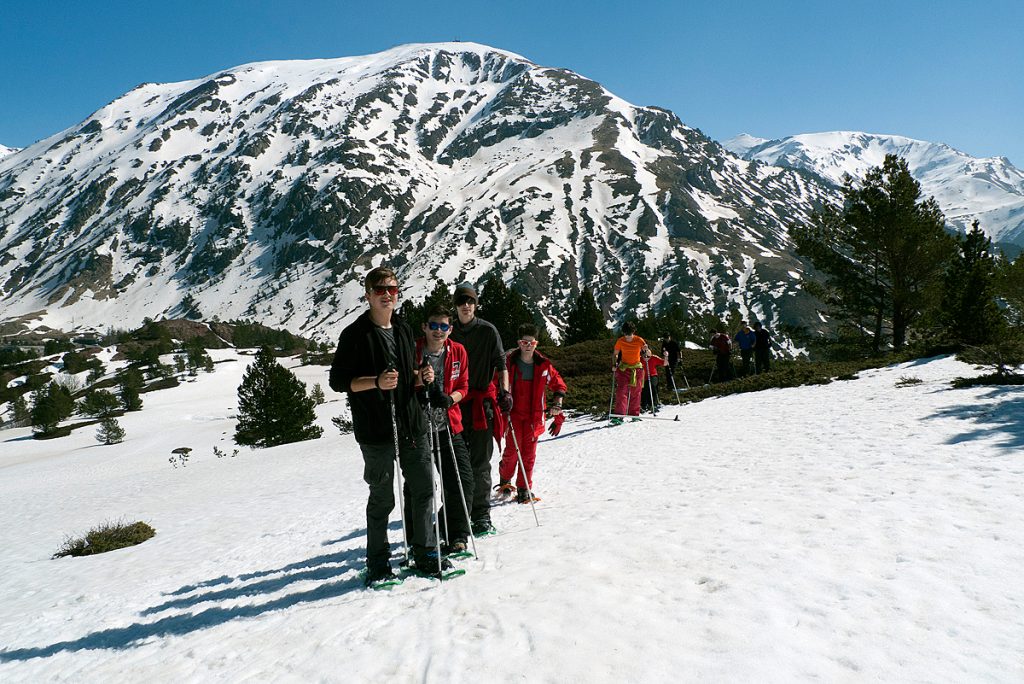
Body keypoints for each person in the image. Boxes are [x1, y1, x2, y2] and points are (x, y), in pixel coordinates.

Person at [328, 266, 447, 586]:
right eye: (379, 289)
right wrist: (376, 382)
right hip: (375, 428)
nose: (386, 295)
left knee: (423, 488)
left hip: (411, 421)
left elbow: (409, 369)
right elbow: (338, 381)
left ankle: (425, 551)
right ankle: (378, 562)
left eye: (392, 290)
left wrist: (422, 374)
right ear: (367, 294)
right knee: (383, 497)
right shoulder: (354, 335)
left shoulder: (405, 329)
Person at [450, 283, 511, 537]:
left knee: (480, 462)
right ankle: (459, 511)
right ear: (456, 305)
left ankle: (481, 514)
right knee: (456, 463)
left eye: (470, 301)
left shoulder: (488, 331)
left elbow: (500, 363)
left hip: (481, 405)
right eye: (462, 301)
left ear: (475, 304)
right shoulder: (449, 332)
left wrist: (505, 391)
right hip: (454, 405)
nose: (466, 305)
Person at [413, 305, 474, 554]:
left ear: (450, 329)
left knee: (462, 482)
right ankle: (418, 537)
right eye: (434, 325)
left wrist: (451, 399)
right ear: (425, 327)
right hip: (419, 428)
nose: (439, 331)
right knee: (419, 487)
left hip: (449, 425)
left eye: (444, 326)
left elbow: (464, 385)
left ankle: (456, 533)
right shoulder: (413, 349)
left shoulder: (457, 351)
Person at [496, 324, 567, 503]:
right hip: (513, 414)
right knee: (512, 450)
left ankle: (524, 487)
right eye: (524, 342)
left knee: (528, 454)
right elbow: (496, 383)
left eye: (531, 342)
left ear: (536, 343)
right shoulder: (509, 362)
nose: (528, 345)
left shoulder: (543, 364)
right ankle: (505, 479)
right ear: (518, 343)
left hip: (534, 417)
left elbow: (558, 384)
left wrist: (557, 405)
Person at [611, 322, 646, 421]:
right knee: (621, 392)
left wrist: (646, 351)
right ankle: (619, 416)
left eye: (629, 334)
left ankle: (634, 415)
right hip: (624, 368)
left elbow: (648, 353)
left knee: (636, 392)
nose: (628, 337)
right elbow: (615, 354)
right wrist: (614, 364)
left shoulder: (639, 340)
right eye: (626, 334)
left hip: (637, 369)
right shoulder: (620, 341)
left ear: (633, 332)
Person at [639, 344, 665, 413]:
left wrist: (666, 356)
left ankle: (654, 404)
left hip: (653, 375)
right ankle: (644, 404)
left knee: (651, 385)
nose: (647, 358)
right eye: (645, 356)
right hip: (643, 377)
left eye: (648, 356)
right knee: (643, 389)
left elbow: (664, 363)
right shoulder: (639, 359)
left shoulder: (654, 358)